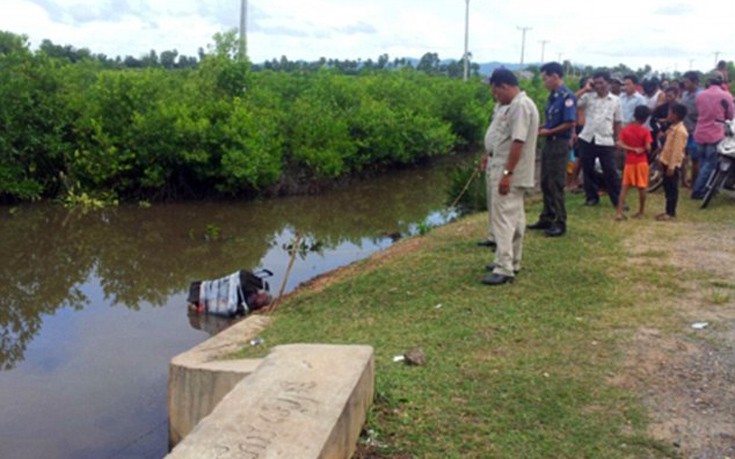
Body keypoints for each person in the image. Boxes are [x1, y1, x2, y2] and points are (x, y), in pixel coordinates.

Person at [481, 69, 539, 286]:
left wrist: (507, 173)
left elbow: (518, 141)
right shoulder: (513, 105)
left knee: (503, 219)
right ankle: (510, 260)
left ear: (505, 86)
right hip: (505, 167)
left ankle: (504, 268)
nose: (496, 96)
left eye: (496, 92)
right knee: (514, 218)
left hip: (509, 171)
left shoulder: (520, 106)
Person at [528, 61, 576, 237]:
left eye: (546, 78)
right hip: (549, 142)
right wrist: (541, 128)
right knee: (545, 181)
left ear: (555, 76)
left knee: (556, 183)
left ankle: (560, 221)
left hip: (559, 143)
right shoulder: (553, 97)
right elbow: (551, 121)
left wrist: (549, 131)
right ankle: (547, 216)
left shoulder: (567, 97)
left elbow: (570, 123)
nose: (544, 82)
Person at [576, 70, 623, 207]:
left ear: (608, 83)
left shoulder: (615, 100)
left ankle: (617, 200)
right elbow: (570, 101)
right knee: (588, 169)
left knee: (610, 171)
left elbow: (618, 121)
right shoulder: (588, 97)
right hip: (587, 137)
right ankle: (592, 197)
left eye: (601, 83)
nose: (598, 86)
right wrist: (585, 89)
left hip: (605, 139)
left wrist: (618, 139)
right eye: (595, 83)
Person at [691, 71, 735, 199]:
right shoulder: (726, 96)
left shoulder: (700, 95)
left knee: (704, 162)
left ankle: (703, 186)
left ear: (709, 81)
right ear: (721, 82)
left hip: (700, 131)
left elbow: (698, 111)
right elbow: (731, 115)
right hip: (715, 132)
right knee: (710, 163)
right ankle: (698, 191)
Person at [616, 105, 652, 220]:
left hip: (629, 161)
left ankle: (619, 212)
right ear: (646, 118)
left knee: (624, 187)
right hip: (641, 161)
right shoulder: (645, 131)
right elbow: (648, 147)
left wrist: (631, 149)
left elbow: (619, 144)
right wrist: (641, 149)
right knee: (642, 187)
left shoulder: (626, 129)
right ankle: (641, 211)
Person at [477, 101, 504, 249]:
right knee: (491, 200)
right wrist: (486, 154)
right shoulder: (498, 106)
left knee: (500, 203)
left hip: (502, 160)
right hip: (492, 157)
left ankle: (501, 240)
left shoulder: (515, 107)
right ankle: (493, 235)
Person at [656, 104, 689, 221]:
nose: (668, 115)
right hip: (666, 161)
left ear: (676, 115)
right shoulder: (672, 128)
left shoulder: (680, 131)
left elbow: (677, 150)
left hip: (672, 164)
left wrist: (672, 166)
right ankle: (667, 210)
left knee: (672, 188)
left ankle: (671, 212)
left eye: (670, 113)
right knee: (667, 186)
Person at [680, 71, 701, 187]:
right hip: (684, 129)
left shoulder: (700, 96)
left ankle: (693, 182)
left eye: (687, 82)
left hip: (695, 131)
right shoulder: (684, 95)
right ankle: (683, 180)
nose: (685, 84)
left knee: (695, 158)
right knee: (682, 157)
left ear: (695, 82)